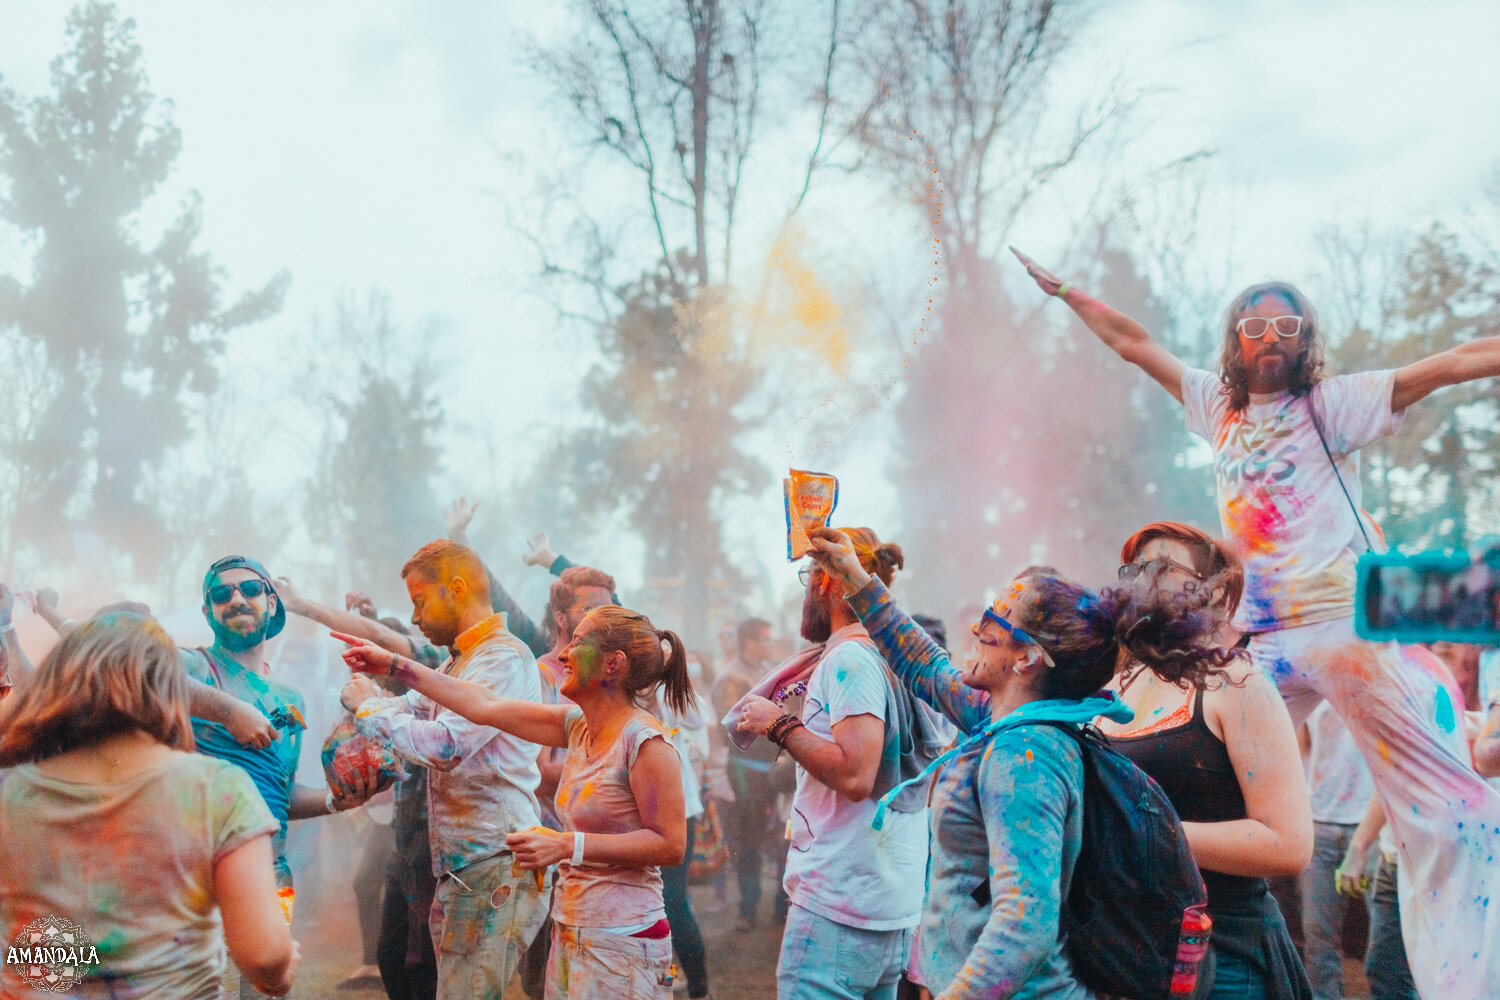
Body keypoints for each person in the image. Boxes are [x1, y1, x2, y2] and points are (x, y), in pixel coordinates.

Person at [1015, 250, 1500, 999]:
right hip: (1259, 641)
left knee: (1444, 810)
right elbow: (1134, 342)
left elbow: (1452, 362)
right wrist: (1067, 291)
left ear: (1304, 339)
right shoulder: (1218, 407)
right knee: (1177, 758)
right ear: (1235, 339)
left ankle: (1466, 982)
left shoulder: (1333, 404)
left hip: (1342, 629)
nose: (1270, 336)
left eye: (1285, 324)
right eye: (1254, 325)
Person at [801, 526, 1213, 998]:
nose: (978, 629)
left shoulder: (1025, 756)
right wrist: (857, 580)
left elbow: (1025, 923)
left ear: (1027, 658)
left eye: (996, 619)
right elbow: (924, 665)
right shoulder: (1006, 720)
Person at [336, 604, 693, 1000]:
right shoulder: (578, 726)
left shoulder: (646, 742)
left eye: (577, 643)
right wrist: (395, 665)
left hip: (625, 939)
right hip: (572, 927)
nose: (562, 654)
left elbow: (670, 844)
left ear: (613, 663)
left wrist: (565, 845)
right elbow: (483, 705)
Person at [0, 611, 299, 999]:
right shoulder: (216, 790)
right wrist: (282, 968)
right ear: (171, 687)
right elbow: (262, 956)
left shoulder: (13, 795)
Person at [1096, 522, 1313, 999]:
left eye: (1161, 566)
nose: (1140, 579)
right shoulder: (1115, 686)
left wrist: (1143, 833)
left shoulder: (1235, 682)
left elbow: (1289, 843)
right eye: (1134, 567)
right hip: (1125, 957)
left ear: (1212, 593)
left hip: (1223, 960)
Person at [338, 539, 549, 1000]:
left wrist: (368, 708)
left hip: (495, 863)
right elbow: (407, 707)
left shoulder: (502, 657)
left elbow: (446, 745)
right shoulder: (460, 661)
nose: (414, 617)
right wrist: (371, 696)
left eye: (419, 601)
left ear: (456, 589)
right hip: (464, 868)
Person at [730, 529, 931, 1000]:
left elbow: (855, 775)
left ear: (826, 582)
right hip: (883, 902)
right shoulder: (898, 657)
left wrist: (778, 723)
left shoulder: (851, 661)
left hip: (841, 903)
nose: (805, 592)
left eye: (807, 575)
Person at [273, 576, 442, 1000]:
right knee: (393, 952)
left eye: (423, 605)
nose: (418, 617)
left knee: (419, 957)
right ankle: (372, 959)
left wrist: (303, 604)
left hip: (436, 835)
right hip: (399, 825)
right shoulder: (374, 692)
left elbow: (387, 639)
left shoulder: (431, 677)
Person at [1336, 646, 1471, 1000]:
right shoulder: (1414, 704)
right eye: (1436, 653)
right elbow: (1390, 781)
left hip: (1453, 870)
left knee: (1447, 977)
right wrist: (1360, 846)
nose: (1436, 665)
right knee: (1383, 970)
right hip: (1395, 861)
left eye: (1450, 655)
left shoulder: (1480, 723)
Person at [1298, 704, 1373, 1000]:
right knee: (1317, 935)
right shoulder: (1312, 685)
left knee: (1387, 935)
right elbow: (1299, 741)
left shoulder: (1377, 680)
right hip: (1320, 824)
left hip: (1370, 827)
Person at [709, 616, 777, 931]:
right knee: (749, 843)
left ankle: (778, 904)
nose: (769, 645)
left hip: (774, 770)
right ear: (749, 641)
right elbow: (731, 730)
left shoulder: (767, 673)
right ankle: (747, 908)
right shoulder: (731, 678)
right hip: (745, 771)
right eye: (764, 639)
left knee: (777, 838)